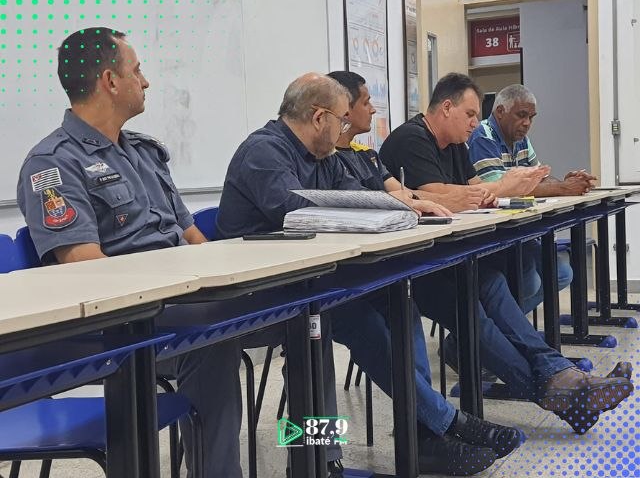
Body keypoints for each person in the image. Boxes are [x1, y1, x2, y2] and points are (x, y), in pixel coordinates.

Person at [216, 71, 525, 476]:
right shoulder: (263, 151)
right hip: (260, 296)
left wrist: (407, 205)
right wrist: (376, 205)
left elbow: (361, 197)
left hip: (310, 285)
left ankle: (423, 434)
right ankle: (424, 428)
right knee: (326, 327)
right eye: (341, 120)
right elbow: (297, 210)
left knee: (399, 303)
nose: (344, 129)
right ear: (319, 117)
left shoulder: (323, 157)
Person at [17, 27, 243, 478]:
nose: (146, 81)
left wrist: (225, 274)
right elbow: (83, 267)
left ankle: (322, 455)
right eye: (137, 70)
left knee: (303, 312)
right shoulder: (53, 163)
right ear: (110, 81)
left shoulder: (144, 151)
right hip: (117, 325)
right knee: (215, 341)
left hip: (175, 304)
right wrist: (177, 286)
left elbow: (190, 235)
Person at [379, 72, 633, 434]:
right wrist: (500, 187)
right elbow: (444, 196)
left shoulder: (455, 144)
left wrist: (503, 188)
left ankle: (565, 381)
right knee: (477, 316)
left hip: (450, 258)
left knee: (495, 283)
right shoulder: (411, 138)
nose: (474, 123)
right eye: (470, 114)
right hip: (412, 270)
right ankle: (568, 394)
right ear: (446, 107)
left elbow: (475, 192)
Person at [467, 83, 597, 313]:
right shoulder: (482, 136)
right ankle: (490, 329)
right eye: (521, 115)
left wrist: (565, 183)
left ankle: (504, 327)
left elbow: (540, 177)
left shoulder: (520, 139)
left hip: (519, 231)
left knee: (562, 274)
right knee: (529, 283)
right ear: (500, 112)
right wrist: (562, 188)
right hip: (493, 235)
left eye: (531, 117)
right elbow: (502, 189)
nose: (527, 123)